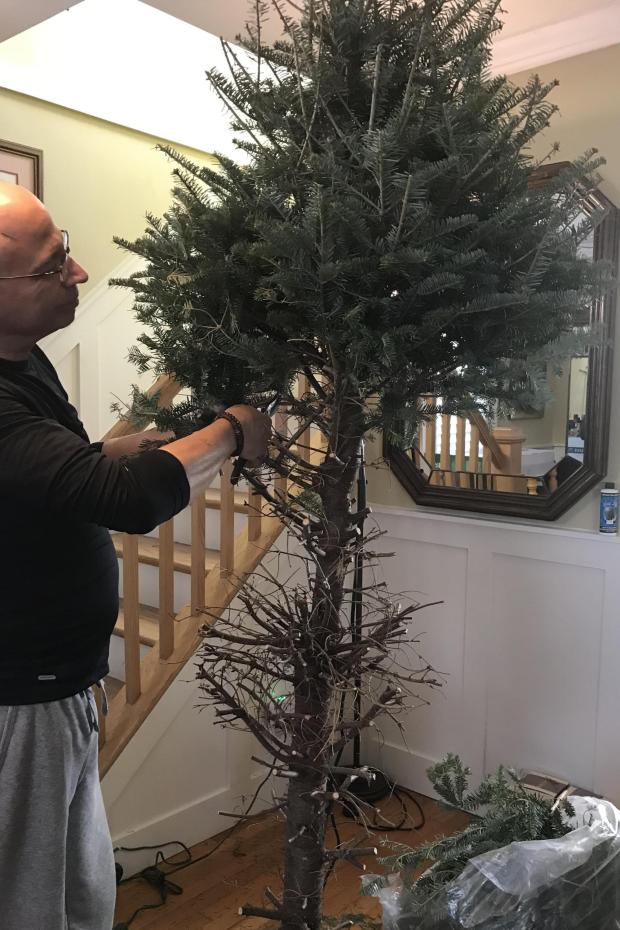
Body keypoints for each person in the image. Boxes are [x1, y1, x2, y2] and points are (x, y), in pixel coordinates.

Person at [0, 182, 271, 930]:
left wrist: (100, 452)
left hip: (62, 683)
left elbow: (35, 477)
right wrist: (234, 427)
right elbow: (128, 502)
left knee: (75, 882)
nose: (79, 273)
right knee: (29, 898)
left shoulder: (23, 358)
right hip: (23, 696)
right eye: (54, 265)